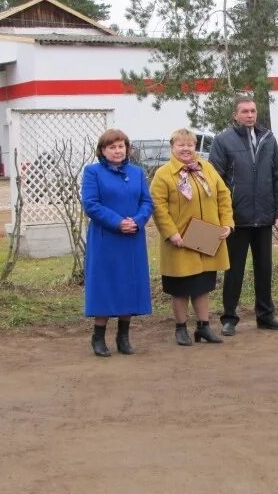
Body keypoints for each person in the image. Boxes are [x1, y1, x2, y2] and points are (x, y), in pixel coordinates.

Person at [208, 95, 278, 335]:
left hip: (264, 216)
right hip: (236, 218)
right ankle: (229, 318)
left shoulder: (268, 138)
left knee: (264, 268)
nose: (250, 115)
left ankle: (265, 315)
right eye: (244, 111)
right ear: (235, 114)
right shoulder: (222, 141)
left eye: (253, 111)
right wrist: (224, 216)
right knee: (234, 270)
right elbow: (215, 181)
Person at [150, 128, 234, 346]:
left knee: (202, 285)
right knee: (181, 288)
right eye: (181, 145)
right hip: (180, 241)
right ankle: (180, 328)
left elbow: (224, 196)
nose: (186, 149)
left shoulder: (206, 168)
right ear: (172, 147)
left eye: (190, 144)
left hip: (207, 236)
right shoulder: (164, 174)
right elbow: (158, 207)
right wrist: (171, 233)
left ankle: (204, 327)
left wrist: (227, 224)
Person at [81, 128, 154, 357]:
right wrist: (118, 222)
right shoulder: (92, 172)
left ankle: (124, 336)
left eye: (121, 146)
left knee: (129, 284)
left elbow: (147, 202)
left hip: (132, 237)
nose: (117, 150)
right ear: (103, 150)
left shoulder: (137, 172)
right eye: (112, 147)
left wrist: (138, 220)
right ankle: (98, 336)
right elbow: (91, 204)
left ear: (127, 148)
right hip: (106, 239)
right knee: (105, 285)